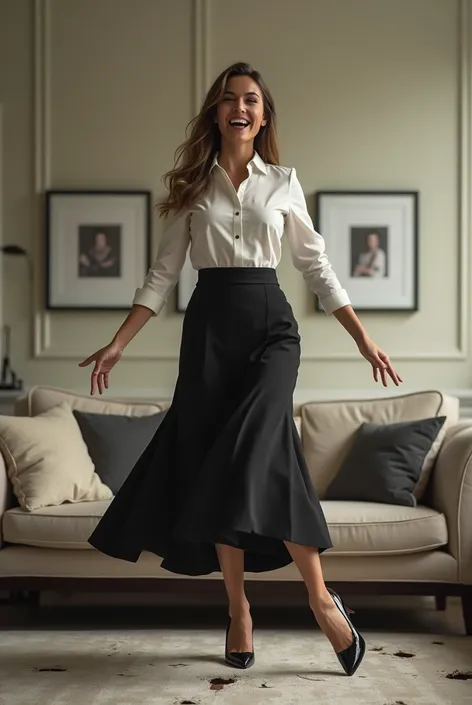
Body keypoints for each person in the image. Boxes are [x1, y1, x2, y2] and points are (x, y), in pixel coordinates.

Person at [79, 62, 402, 677]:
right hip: (209, 334)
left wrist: (363, 338)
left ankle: (320, 597)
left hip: (270, 331)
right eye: (229, 99)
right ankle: (237, 608)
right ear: (216, 113)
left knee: (259, 451)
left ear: (264, 114)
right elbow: (162, 275)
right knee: (215, 460)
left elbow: (316, 267)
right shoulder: (191, 186)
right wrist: (119, 342)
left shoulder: (284, 182)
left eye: (251, 99)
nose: (241, 107)